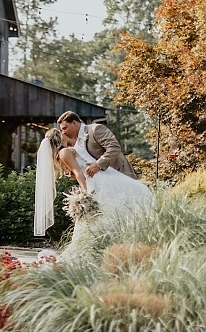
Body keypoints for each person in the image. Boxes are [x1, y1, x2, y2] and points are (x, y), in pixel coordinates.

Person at [34, 128, 153, 260]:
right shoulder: (65, 152)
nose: (65, 133)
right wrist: (85, 194)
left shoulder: (67, 151)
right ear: (58, 137)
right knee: (110, 211)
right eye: (61, 132)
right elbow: (79, 173)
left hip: (100, 179)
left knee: (109, 212)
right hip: (99, 181)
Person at [57, 111, 137, 179]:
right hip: (104, 182)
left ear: (74, 123)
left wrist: (98, 164)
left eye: (65, 128)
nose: (63, 132)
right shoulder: (76, 144)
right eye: (61, 130)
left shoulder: (95, 129)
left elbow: (114, 147)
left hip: (120, 174)